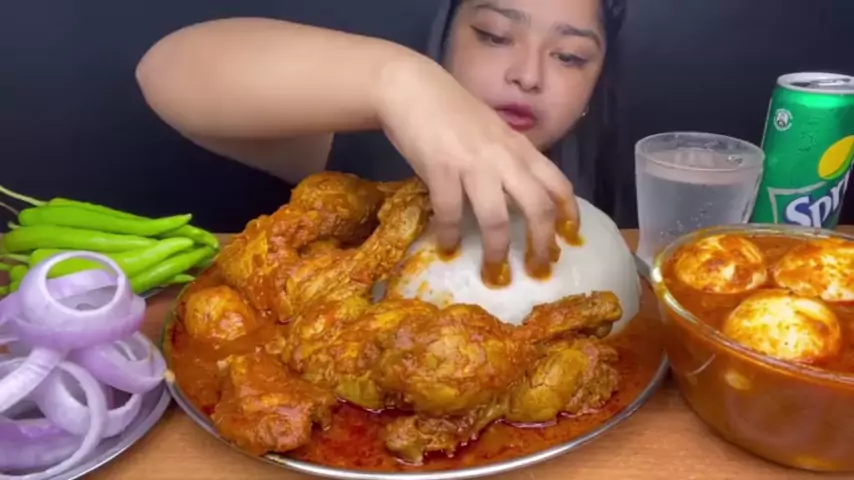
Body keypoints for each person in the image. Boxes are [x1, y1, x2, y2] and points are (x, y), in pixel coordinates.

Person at [136, 0, 626, 275]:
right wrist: (398, 79)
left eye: (570, 57)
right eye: (495, 36)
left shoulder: (622, 174)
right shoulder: (364, 144)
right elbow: (166, 72)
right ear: (447, 38)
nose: (528, 75)